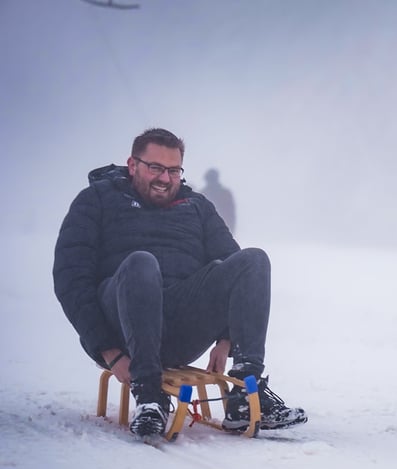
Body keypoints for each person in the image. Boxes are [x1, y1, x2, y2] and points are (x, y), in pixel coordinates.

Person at [53, 128, 307, 439]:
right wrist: (108, 351)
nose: (165, 178)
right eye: (155, 168)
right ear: (133, 165)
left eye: (173, 170)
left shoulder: (197, 206)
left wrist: (226, 338)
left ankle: (245, 394)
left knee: (253, 260)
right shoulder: (96, 201)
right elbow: (71, 280)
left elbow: (235, 269)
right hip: (122, 329)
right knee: (142, 263)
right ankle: (149, 397)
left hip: (181, 327)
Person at [200, 167, 236, 234]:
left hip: (222, 228)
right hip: (208, 230)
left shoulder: (225, 193)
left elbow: (231, 213)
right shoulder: (203, 194)